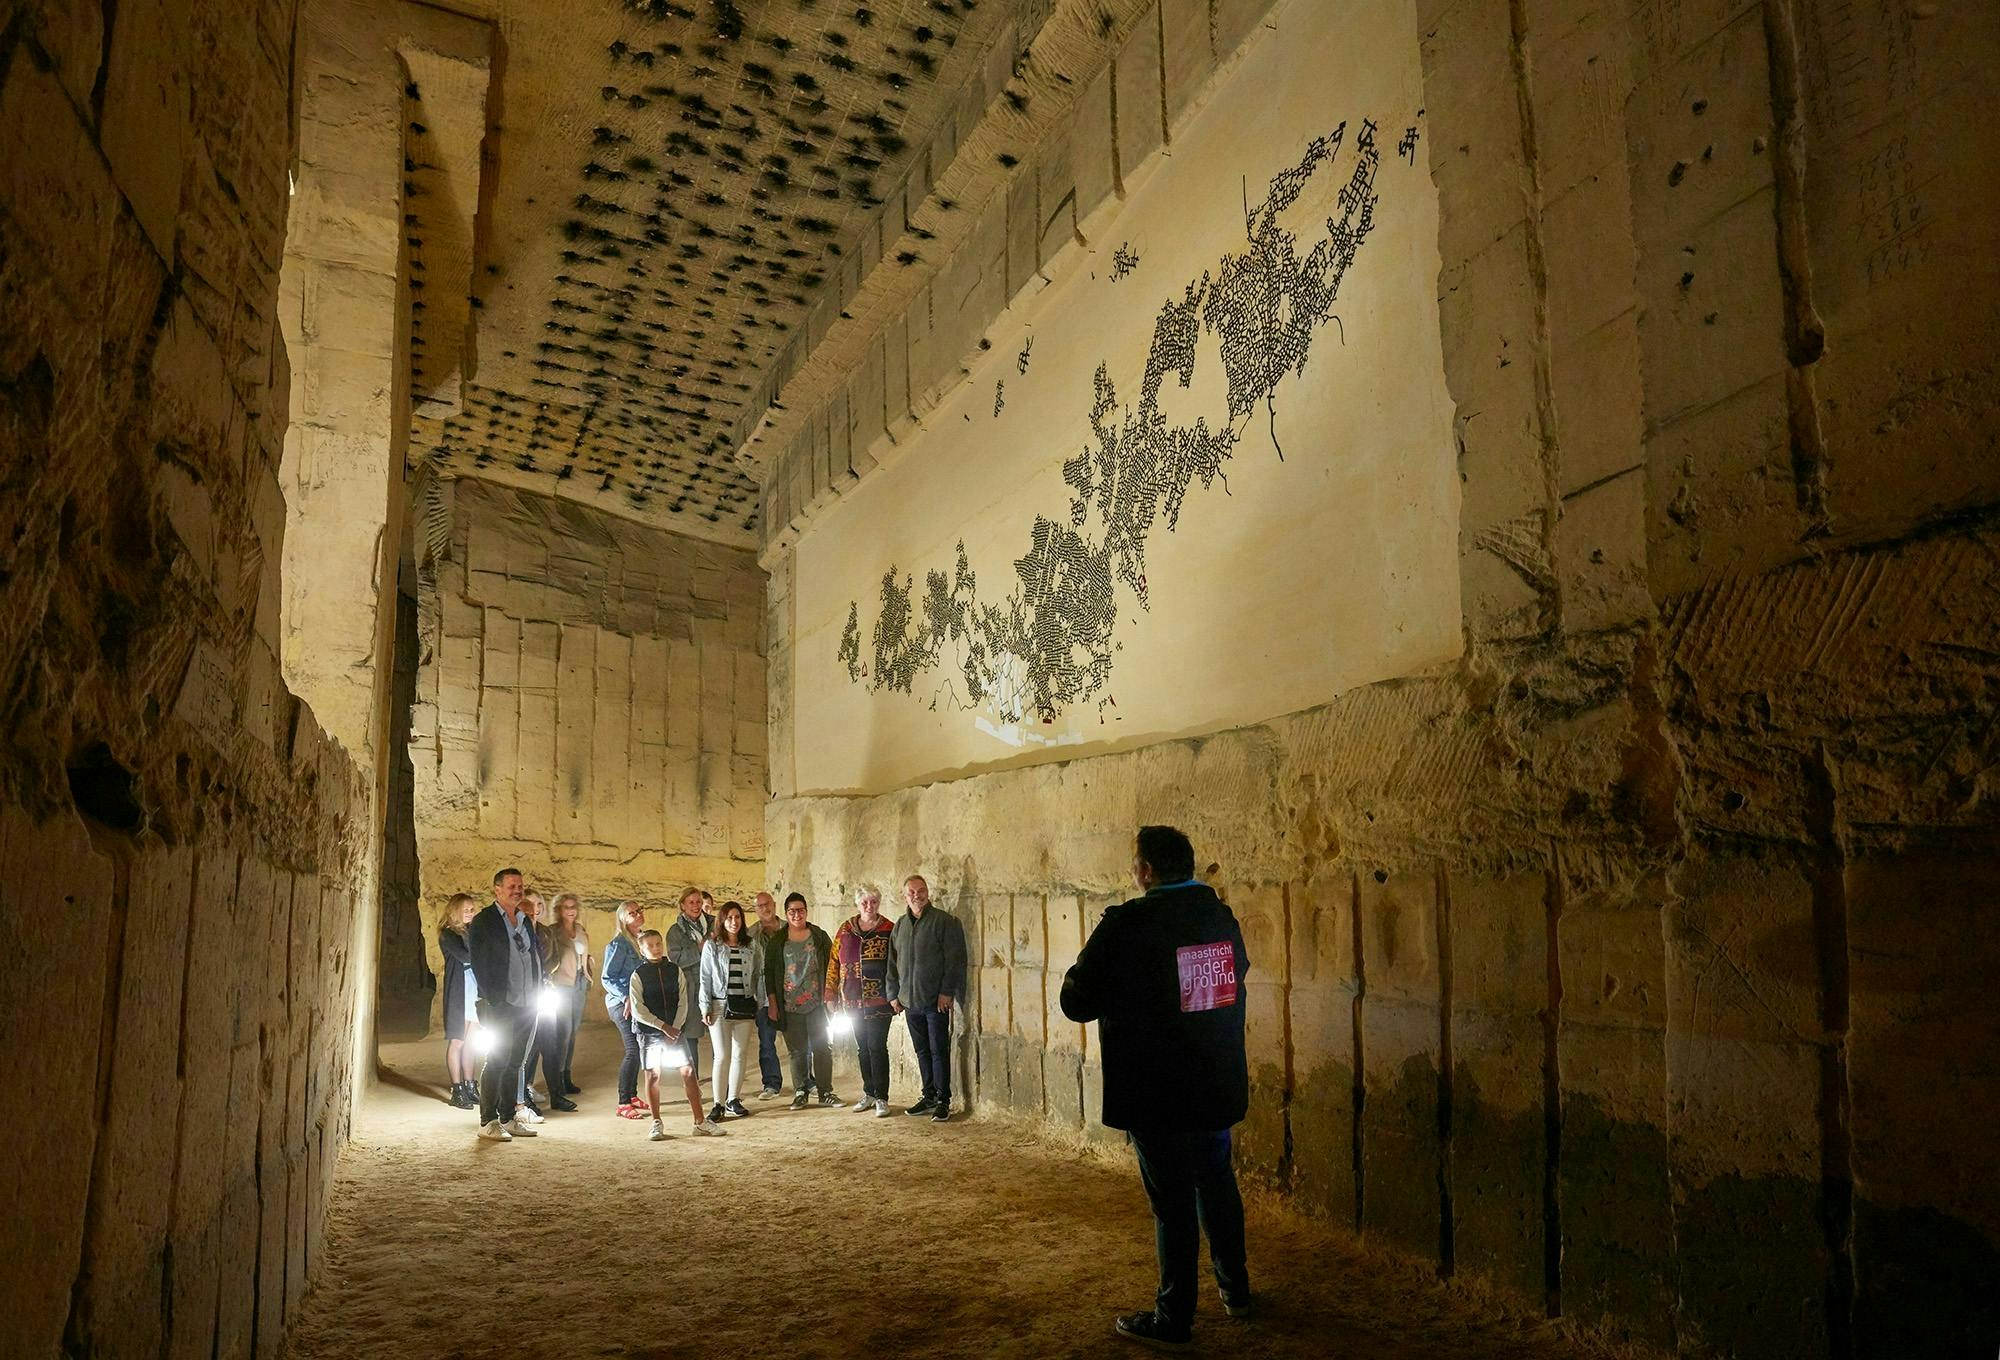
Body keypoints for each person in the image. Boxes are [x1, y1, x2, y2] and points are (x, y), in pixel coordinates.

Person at [1059, 826, 1252, 1350]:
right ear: (1188, 865)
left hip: (1157, 1087)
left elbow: (1076, 1000)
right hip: (1213, 1078)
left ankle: (1174, 1317)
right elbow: (1234, 975)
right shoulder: (1219, 915)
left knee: (1171, 1200)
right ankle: (1236, 1291)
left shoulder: (1127, 922)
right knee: (1216, 1181)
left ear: (1145, 871)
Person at [467, 867, 541, 1142]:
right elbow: (479, 962)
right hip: (500, 1003)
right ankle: (487, 1120)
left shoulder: (524, 919)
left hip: (526, 1003)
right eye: (511, 886)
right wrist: (492, 998)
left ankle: (508, 1117)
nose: (517, 891)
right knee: (497, 1060)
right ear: (497, 890)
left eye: (520, 886)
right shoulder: (484, 921)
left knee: (515, 1062)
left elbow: (534, 957)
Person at [886, 874, 967, 1122]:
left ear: (927, 892)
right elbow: (892, 963)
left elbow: (954, 959)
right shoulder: (900, 925)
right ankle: (929, 1095)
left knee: (938, 1050)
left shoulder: (943, 921)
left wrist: (946, 992)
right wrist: (893, 994)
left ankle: (943, 1099)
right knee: (922, 1050)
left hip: (934, 1002)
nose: (916, 896)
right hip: (910, 1002)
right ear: (904, 895)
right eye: (911, 892)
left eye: (921, 891)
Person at [630, 928, 722, 1139]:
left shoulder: (674, 970)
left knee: (688, 1072)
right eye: (650, 945)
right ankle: (656, 1122)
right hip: (650, 1034)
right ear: (642, 950)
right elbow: (638, 1008)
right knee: (653, 1074)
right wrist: (663, 1027)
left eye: (658, 943)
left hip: (675, 1031)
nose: (655, 948)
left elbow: (683, 1001)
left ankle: (699, 1122)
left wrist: (676, 1028)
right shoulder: (638, 975)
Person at [766, 892, 840, 1108]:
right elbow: (769, 972)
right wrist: (772, 1003)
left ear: (806, 911)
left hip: (816, 1003)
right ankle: (801, 1090)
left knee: (821, 1047)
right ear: (786, 914)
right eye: (792, 911)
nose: (797, 915)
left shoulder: (818, 936)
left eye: (800, 910)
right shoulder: (778, 940)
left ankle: (825, 1091)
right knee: (797, 1050)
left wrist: (831, 993)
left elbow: (832, 964)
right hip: (789, 1003)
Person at [831, 884, 897, 1116]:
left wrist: (895, 995)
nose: (870, 906)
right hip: (851, 1000)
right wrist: (830, 994)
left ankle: (882, 1097)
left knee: (877, 1047)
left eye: (874, 902)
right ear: (858, 904)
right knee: (862, 1049)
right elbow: (834, 962)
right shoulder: (845, 929)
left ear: (879, 903)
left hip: (880, 1001)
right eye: (865, 902)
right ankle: (869, 1092)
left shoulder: (889, 929)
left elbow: (896, 965)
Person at [699, 901, 766, 1122]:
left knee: (740, 1054)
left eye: (737, 917)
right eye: (729, 918)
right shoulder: (713, 946)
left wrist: (760, 1002)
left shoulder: (752, 945)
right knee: (722, 1055)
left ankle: (733, 1099)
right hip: (719, 1005)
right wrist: (705, 1006)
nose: (734, 922)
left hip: (744, 1004)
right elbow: (705, 977)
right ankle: (718, 1102)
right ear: (722, 920)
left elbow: (758, 974)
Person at [665, 887, 714, 1103]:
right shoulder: (675, 932)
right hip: (691, 986)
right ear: (683, 905)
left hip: (715, 984)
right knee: (691, 1037)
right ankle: (693, 1086)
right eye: (690, 902)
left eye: (698, 902)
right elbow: (675, 959)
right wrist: (699, 948)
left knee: (720, 1035)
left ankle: (726, 1085)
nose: (695, 906)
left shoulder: (714, 924)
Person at [601, 901, 649, 1118]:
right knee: (633, 1049)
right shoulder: (619, 944)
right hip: (620, 1004)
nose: (638, 914)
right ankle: (623, 1102)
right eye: (632, 913)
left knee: (639, 1046)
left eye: (639, 910)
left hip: (637, 1003)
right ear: (622, 919)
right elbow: (607, 977)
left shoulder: (641, 940)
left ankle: (632, 1095)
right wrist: (625, 995)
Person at [543, 893, 591, 1102]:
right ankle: (557, 1080)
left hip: (579, 982)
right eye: (566, 907)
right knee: (562, 1032)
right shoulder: (553, 932)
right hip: (561, 984)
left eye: (573, 906)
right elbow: (550, 957)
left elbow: (584, 954)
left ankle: (566, 1075)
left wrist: (588, 969)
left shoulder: (580, 930)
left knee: (573, 1032)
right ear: (559, 911)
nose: (570, 910)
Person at [438, 893, 481, 1109]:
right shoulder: (448, 934)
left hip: (474, 987)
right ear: (455, 910)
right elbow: (467, 956)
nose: (471, 913)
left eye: (472, 910)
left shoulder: (472, 932)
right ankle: (457, 1089)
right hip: (459, 989)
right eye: (466, 910)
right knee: (458, 1040)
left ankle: (470, 1085)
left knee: (472, 1041)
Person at [747, 892, 787, 1098]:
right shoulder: (751, 933)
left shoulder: (789, 928)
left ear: (774, 904)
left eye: (767, 904)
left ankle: (806, 1081)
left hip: (790, 992)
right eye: (760, 906)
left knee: (798, 1040)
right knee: (766, 1041)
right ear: (756, 909)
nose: (765, 908)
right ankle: (771, 1083)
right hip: (762, 994)